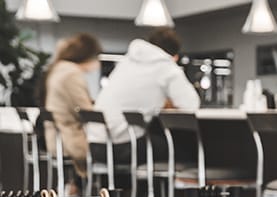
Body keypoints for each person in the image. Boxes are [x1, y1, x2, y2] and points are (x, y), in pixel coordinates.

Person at [88, 27, 200, 165]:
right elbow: (191, 105)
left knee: (154, 136)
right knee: (187, 149)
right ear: (174, 56)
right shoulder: (167, 66)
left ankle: (142, 185)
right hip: (123, 146)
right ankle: (178, 186)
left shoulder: (127, 62)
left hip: (95, 144)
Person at [42, 33, 102, 188]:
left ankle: (77, 188)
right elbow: (86, 112)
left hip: (57, 136)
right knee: (114, 150)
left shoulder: (58, 69)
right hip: (69, 139)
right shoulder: (71, 74)